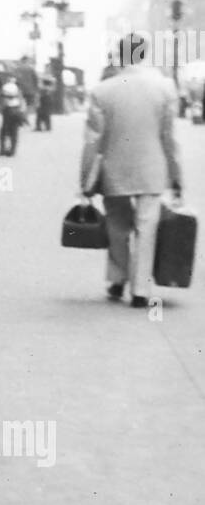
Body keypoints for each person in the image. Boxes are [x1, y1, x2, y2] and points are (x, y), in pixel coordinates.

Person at [80, 34, 183, 308]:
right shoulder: (164, 87)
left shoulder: (103, 90)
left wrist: (85, 179)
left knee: (117, 226)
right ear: (144, 54)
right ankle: (140, 290)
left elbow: (92, 141)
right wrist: (177, 177)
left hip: (115, 168)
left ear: (120, 54)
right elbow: (169, 137)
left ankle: (117, 279)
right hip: (153, 167)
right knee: (147, 227)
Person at [0, 78, 24, 156]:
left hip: (7, 111)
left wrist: (0, 108)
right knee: (14, 132)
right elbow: (21, 102)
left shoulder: (5, 88)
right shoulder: (18, 90)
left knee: (3, 131)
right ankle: (12, 150)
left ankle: (2, 149)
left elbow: (1, 101)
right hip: (16, 110)